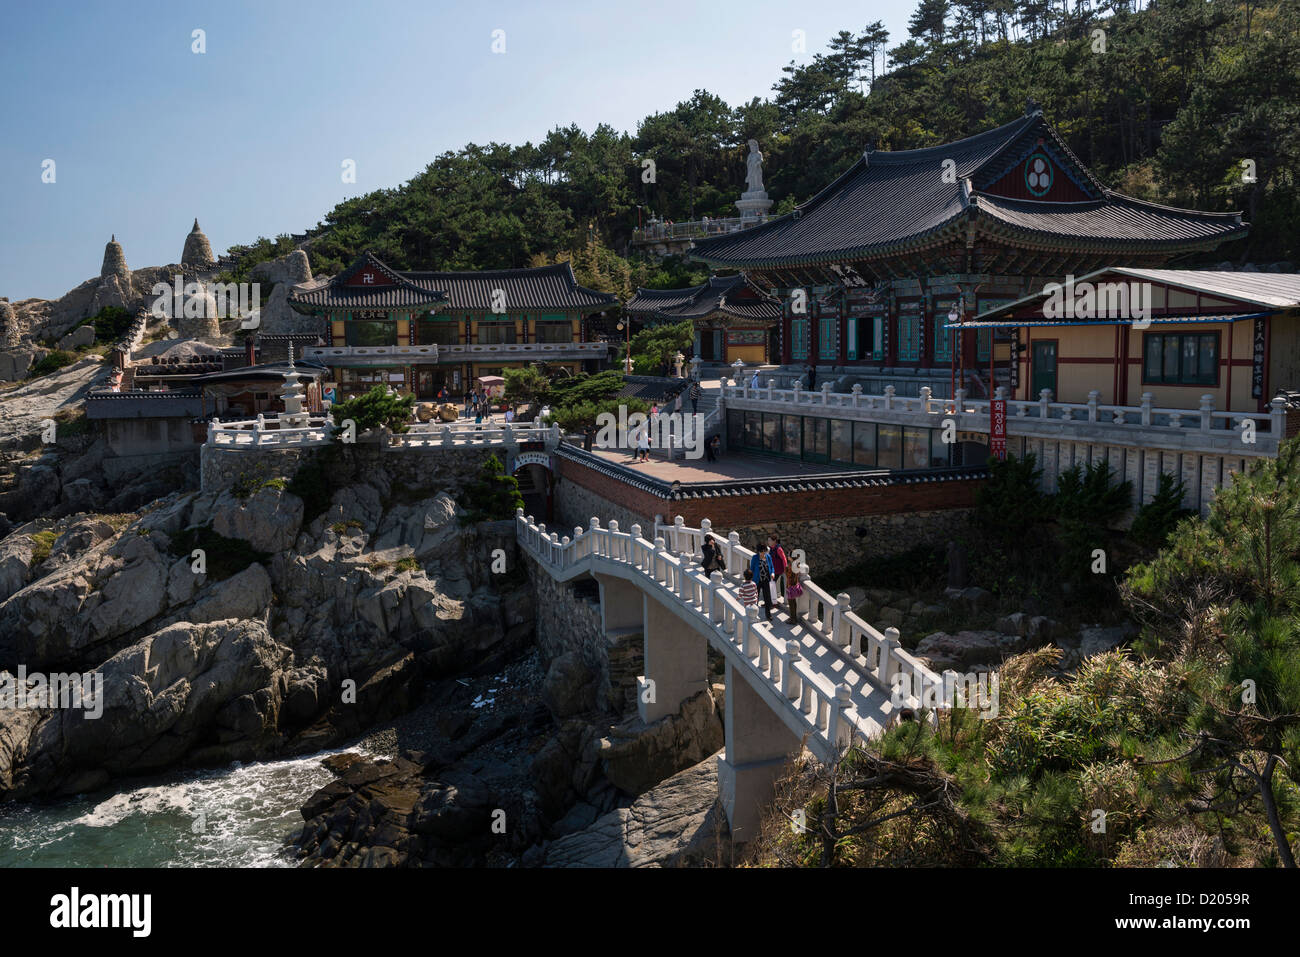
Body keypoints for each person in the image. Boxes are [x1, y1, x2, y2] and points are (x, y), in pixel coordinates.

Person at [749, 543, 775, 621]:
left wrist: (772, 573)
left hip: (766, 580)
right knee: (755, 598)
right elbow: (752, 569)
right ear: (758, 551)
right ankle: (754, 614)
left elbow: (771, 567)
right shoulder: (755, 558)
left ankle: (768, 615)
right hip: (757, 580)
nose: (763, 553)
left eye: (764, 551)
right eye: (762, 551)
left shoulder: (768, 557)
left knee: (767, 598)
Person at [768, 534, 788, 605]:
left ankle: (772, 602)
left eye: (770, 540)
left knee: (771, 585)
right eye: (768, 540)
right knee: (770, 585)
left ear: (775, 541)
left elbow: (784, 559)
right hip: (772, 569)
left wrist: (785, 568)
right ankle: (771, 601)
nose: (768, 542)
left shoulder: (778, 549)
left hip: (778, 570)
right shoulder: (770, 548)